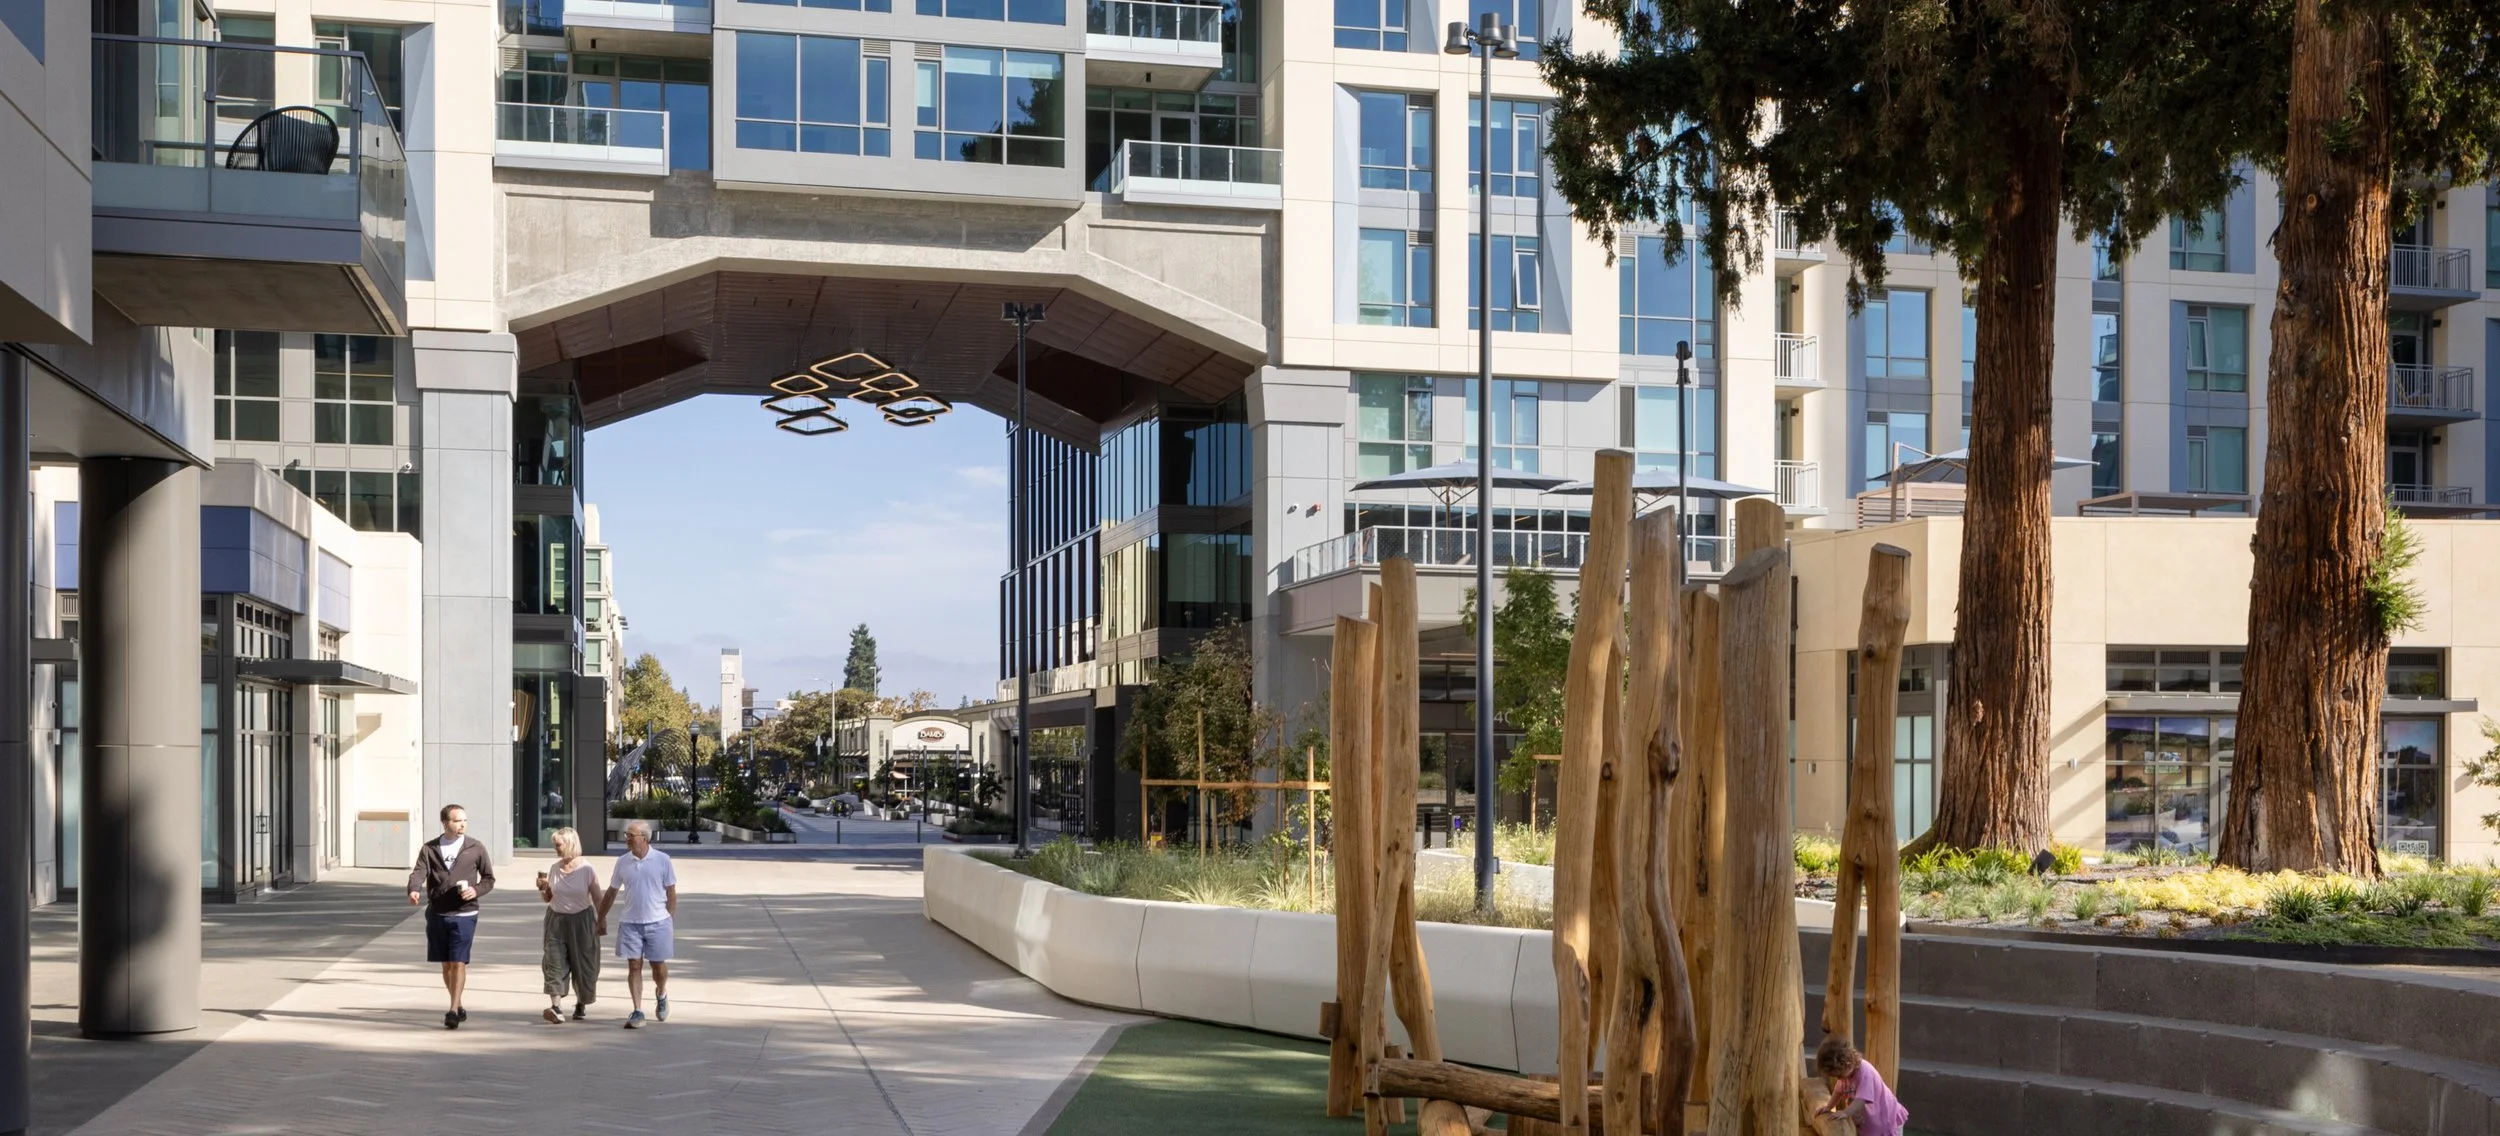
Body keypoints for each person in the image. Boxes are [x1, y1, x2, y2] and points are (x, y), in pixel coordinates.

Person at [407, 804, 496, 1029]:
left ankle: (453, 1010)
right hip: (438, 913)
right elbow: (419, 871)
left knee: (458, 961)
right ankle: (457, 1001)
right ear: (445, 823)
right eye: (457, 821)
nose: (462, 825)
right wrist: (414, 888)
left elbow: (488, 879)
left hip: (465, 913)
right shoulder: (430, 848)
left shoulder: (475, 847)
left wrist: (475, 890)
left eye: (464, 820)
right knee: (446, 964)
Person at [601, 820, 678, 1030]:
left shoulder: (662, 860)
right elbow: (611, 891)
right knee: (634, 965)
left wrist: (668, 916)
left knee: (657, 966)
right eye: (626, 835)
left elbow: (671, 891)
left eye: (630, 835)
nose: (626, 839)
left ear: (644, 838)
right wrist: (600, 917)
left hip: (658, 922)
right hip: (630, 923)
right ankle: (637, 1010)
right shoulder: (622, 862)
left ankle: (661, 993)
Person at [535, 826, 602, 1023]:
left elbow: (598, 898)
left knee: (584, 964)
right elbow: (548, 898)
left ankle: (581, 1002)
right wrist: (543, 887)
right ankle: (556, 1007)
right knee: (553, 962)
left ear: (571, 844)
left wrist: (602, 920)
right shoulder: (555, 868)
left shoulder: (587, 869)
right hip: (556, 920)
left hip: (582, 920)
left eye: (558, 845)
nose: (555, 848)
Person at [1813, 1034, 1908, 1136]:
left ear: (1847, 1063)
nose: (1838, 1078)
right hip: (1870, 1120)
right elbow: (1838, 1091)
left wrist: (1845, 1112)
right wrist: (1829, 1106)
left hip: (1887, 1118)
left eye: (1839, 1074)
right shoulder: (1846, 1075)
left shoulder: (1865, 1073)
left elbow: (1861, 1100)